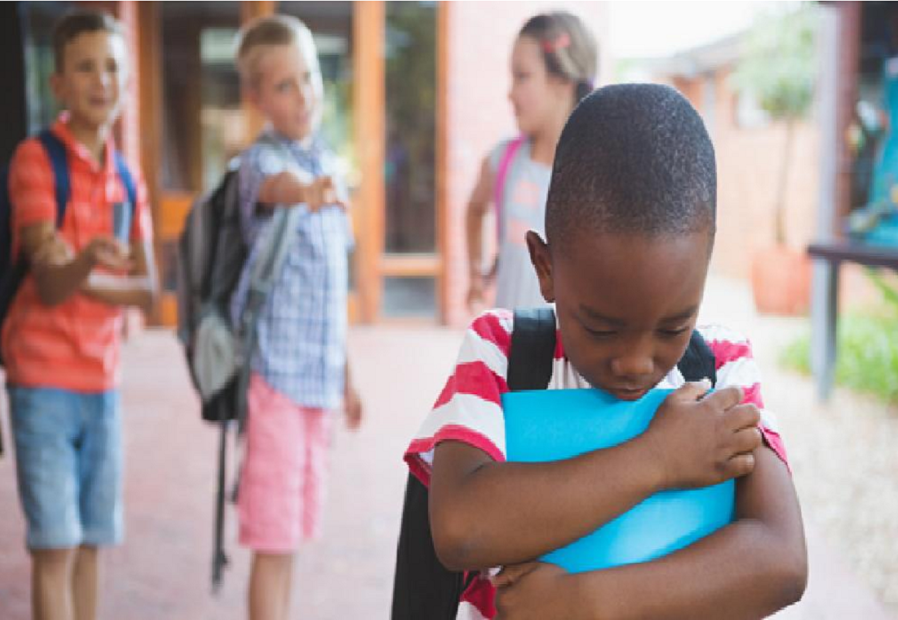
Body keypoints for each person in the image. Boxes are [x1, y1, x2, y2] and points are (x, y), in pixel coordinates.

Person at [404, 84, 807, 620]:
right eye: (601, 328)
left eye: (673, 327)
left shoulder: (721, 370)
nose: (637, 363)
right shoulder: (503, 354)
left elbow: (781, 561)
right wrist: (657, 459)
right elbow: (461, 528)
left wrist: (586, 601)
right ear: (545, 269)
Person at [2, 9, 157, 620]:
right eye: (86, 67)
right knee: (55, 545)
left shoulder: (127, 174)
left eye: (113, 66)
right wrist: (90, 262)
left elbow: (147, 291)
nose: (103, 80)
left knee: (92, 541)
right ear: (58, 84)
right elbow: (47, 282)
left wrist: (78, 267)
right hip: (41, 378)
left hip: (103, 381)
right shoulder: (35, 161)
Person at [232, 15, 363, 620]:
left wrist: (348, 376)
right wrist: (305, 192)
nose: (303, 93)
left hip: (317, 386)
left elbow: (332, 293)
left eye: (308, 76)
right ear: (257, 98)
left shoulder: (329, 163)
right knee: (273, 542)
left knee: (294, 540)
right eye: (283, 85)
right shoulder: (260, 163)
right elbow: (274, 186)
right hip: (276, 384)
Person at [466, 12, 598, 313]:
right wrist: (476, 271)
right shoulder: (503, 160)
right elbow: (474, 210)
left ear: (563, 80)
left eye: (522, 76)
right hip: (511, 349)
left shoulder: (597, 173)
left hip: (569, 354)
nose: (510, 93)